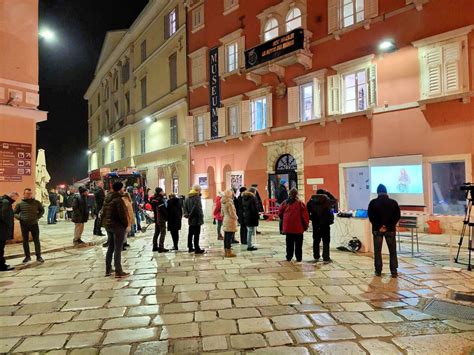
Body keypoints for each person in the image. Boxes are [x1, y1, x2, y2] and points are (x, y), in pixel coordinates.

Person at [368, 184, 401, 277]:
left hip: (377, 230)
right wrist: (388, 226)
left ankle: (378, 270)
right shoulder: (393, 202)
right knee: (392, 251)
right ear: (386, 192)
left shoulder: (373, 203)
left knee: (377, 251)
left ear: (378, 192)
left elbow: (371, 217)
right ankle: (393, 271)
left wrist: (379, 226)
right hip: (390, 230)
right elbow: (397, 216)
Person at [102, 182, 129, 278]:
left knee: (111, 247)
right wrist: (126, 225)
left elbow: (103, 212)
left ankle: (108, 268)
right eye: (123, 187)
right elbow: (122, 214)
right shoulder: (118, 199)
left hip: (108, 225)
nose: (124, 189)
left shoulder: (107, 198)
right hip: (117, 226)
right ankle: (118, 270)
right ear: (119, 189)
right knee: (118, 248)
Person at [14, 188, 45, 263]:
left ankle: (38, 256)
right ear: (24, 194)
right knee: (25, 241)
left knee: (36, 240)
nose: (29, 195)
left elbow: (42, 210)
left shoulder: (36, 202)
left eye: (30, 194)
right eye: (27, 194)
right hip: (24, 225)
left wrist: (38, 217)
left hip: (34, 224)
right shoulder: (20, 204)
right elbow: (15, 213)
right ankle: (27, 257)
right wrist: (20, 218)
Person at [279, 188, 309, 262]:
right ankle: (298, 258)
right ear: (297, 194)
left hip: (288, 227)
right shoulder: (300, 203)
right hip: (298, 227)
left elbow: (280, 213)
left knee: (289, 243)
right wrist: (305, 226)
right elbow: (305, 216)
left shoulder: (285, 203)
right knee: (298, 244)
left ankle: (289, 256)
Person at [307, 189, 335, 263]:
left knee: (316, 240)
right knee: (326, 240)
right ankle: (326, 257)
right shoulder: (327, 201)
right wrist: (327, 192)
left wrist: (312, 218)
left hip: (316, 223)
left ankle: (316, 256)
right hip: (325, 224)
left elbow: (307, 211)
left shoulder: (311, 201)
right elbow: (334, 201)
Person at [183, 184, 205, 254]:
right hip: (197, 218)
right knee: (196, 234)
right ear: (197, 190)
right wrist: (190, 215)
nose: (200, 191)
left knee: (190, 233)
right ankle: (197, 248)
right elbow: (196, 208)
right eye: (200, 190)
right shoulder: (197, 197)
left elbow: (184, 207)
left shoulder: (187, 197)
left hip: (191, 219)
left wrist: (187, 215)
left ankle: (190, 247)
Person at [0, 192, 19, 271]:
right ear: (12, 197)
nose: (15, 201)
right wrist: (9, 224)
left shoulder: (2, 200)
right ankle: (1, 266)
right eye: (15, 199)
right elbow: (4, 216)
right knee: (1, 248)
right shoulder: (6, 203)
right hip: (2, 230)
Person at [150, 187, 169, 253]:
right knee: (163, 232)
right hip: (161, 218)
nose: (163, 192)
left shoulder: (154, 199)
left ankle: (155, 246)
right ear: (160, 192)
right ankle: (161, 247)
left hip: (156, 218)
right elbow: (163, 210)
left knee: (156, 232)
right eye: (162, 191)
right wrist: (167, 216)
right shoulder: (160, 199)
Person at [242, 187, 259, 251]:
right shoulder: (252, 198)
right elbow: (254, 209)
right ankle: (249, 245)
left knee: (249, 230)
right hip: (251, 216)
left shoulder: (244, 198)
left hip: (246, 215)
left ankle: (249, 244)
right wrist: (257, 216)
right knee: (250, 231)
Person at [221, 190, 237, 257]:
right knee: (229, 237)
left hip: (225, 219)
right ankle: (229, 252)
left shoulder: (223, 202)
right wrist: (236, 217)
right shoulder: (229, 203)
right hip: (230, 220)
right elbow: (232, 213)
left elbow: (222, 213)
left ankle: (226, 251)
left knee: (226, 236)